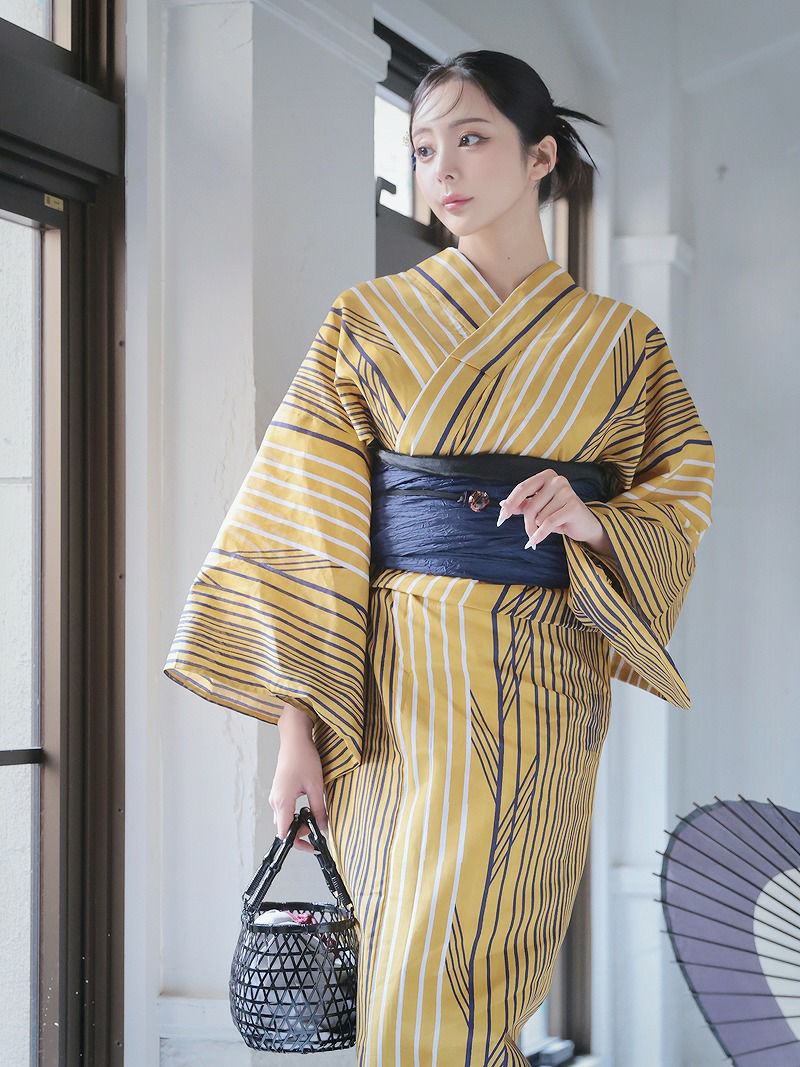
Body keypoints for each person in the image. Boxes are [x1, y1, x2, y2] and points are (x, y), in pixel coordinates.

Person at [163, 49, 715, 1066]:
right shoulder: (366, 321)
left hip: (542, 683)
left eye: (471, 138)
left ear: (539, 156)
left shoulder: (622, 345)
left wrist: (593, 521)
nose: (443, 168)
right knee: (405, 978)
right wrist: (295, 734)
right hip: (393, 689)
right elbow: (305, 528)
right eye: (423, 149)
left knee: (478, 974)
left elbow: (676, 495)